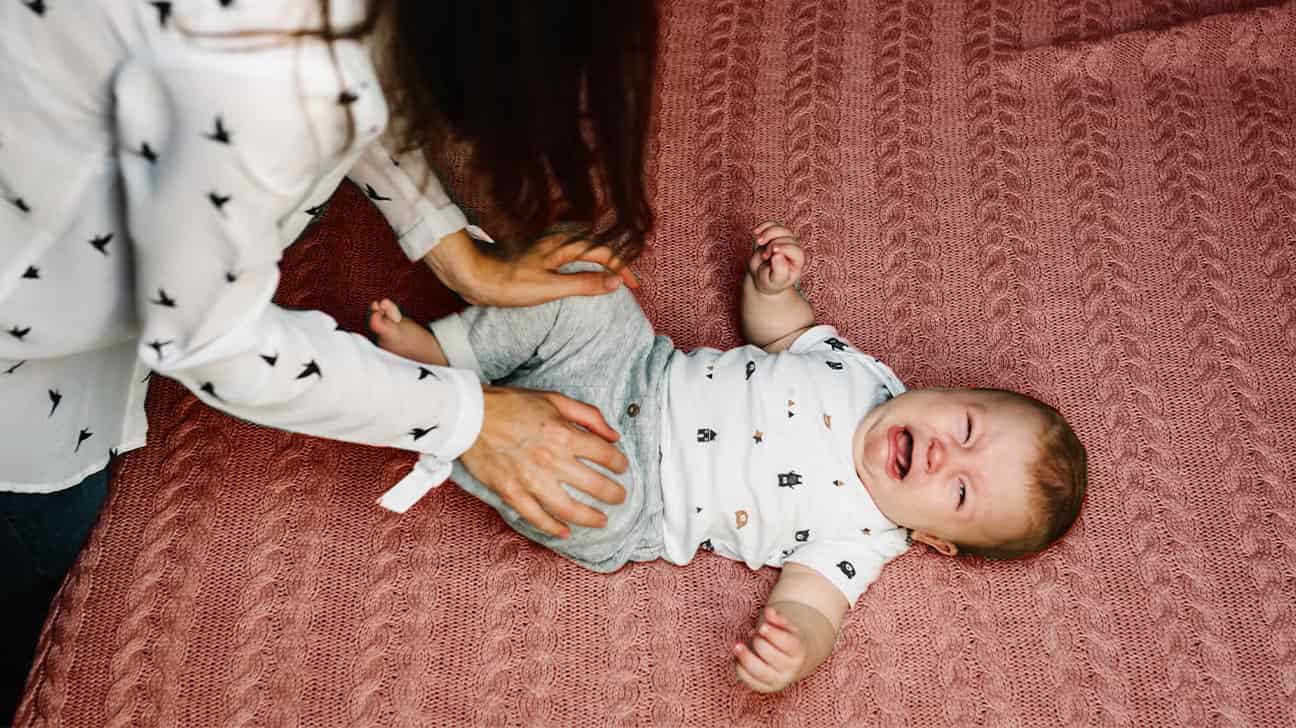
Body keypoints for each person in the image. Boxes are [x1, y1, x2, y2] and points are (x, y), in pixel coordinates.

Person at [0, 0, 656, 720]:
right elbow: (215, 342)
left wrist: (452, 249)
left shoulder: (307, 56)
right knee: (48, 541)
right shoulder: (263, 73)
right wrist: (466, 417)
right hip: (28, 354)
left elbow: (358, 68)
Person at [368, 221, 1089, 693]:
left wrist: (795, 651)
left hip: (639, 491)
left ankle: (443, 421)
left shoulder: (862, 538)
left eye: (959, 492)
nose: (939, 455)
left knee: (582, 502)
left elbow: (812, 609)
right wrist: (773, 287)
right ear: (951, 387)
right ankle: (449, 354)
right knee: (589, 282)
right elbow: (783, 332)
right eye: (964, 426)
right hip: (634, 367)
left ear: (935, 539)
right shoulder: (863, 373)